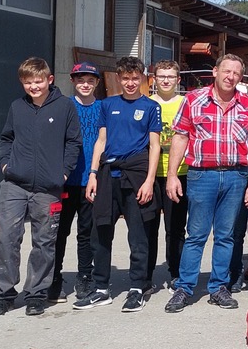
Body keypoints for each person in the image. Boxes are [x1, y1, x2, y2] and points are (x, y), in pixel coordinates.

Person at [163, 54, 248, 313]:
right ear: (215, 72)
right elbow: (180, 138)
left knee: (226, 236)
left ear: (241, 78)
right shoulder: (193, 100)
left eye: (236, 74)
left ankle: (218, 287)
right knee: (196, 235)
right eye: (226, 71)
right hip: (201, 176)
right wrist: (172, 175)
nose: (230, 77)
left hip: (236, 176)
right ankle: (184, 288)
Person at [0, 57, 80, 317]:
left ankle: (37, 293)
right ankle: (4, 294)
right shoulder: (17, 107)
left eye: (39, 81)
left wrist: (62, 173)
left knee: (44, 241)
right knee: (6, 239)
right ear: (22, 83)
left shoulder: (64, 107)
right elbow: (6, 139)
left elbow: (73, 142)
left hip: (47, 188)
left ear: (49, 80)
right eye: (28, 82)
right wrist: (6, 165)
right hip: (14, 185)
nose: (34, 86)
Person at [77, 56, 161, 312]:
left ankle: (137, 287)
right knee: (100, 233)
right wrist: (92, 174)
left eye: (135, 78)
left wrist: (148, 181)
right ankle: (101, 288)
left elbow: (155, 146)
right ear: (118, 79)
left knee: (138, 236)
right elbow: (100, 142)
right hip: (107, 175)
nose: (131, 83)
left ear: (143, 79)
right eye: (125, 78)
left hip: (136, 175)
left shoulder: (150, 107)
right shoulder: (107, 104)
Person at [49, 62, 101, 303]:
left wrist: (97, 173)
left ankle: (85, 276)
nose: (85, 84)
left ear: (97, 83)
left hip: (91, 180)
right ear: (72, 81)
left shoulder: (102, 108)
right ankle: (54, 277)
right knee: (59, 231)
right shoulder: (64, 106)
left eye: (90, 80)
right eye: (80, 79)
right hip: (66, 181)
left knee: (87, 233)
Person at [149, 60, 187, 293]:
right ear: (154, 79)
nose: (165, 80)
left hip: (180, 173)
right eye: (161, 76)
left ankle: (176, 272)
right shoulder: (148, 103)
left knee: (175, 227)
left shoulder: (186, 103)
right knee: (148, 227)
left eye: (170, 77)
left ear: (178, 80)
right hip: (152, 174)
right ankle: (145, 275)